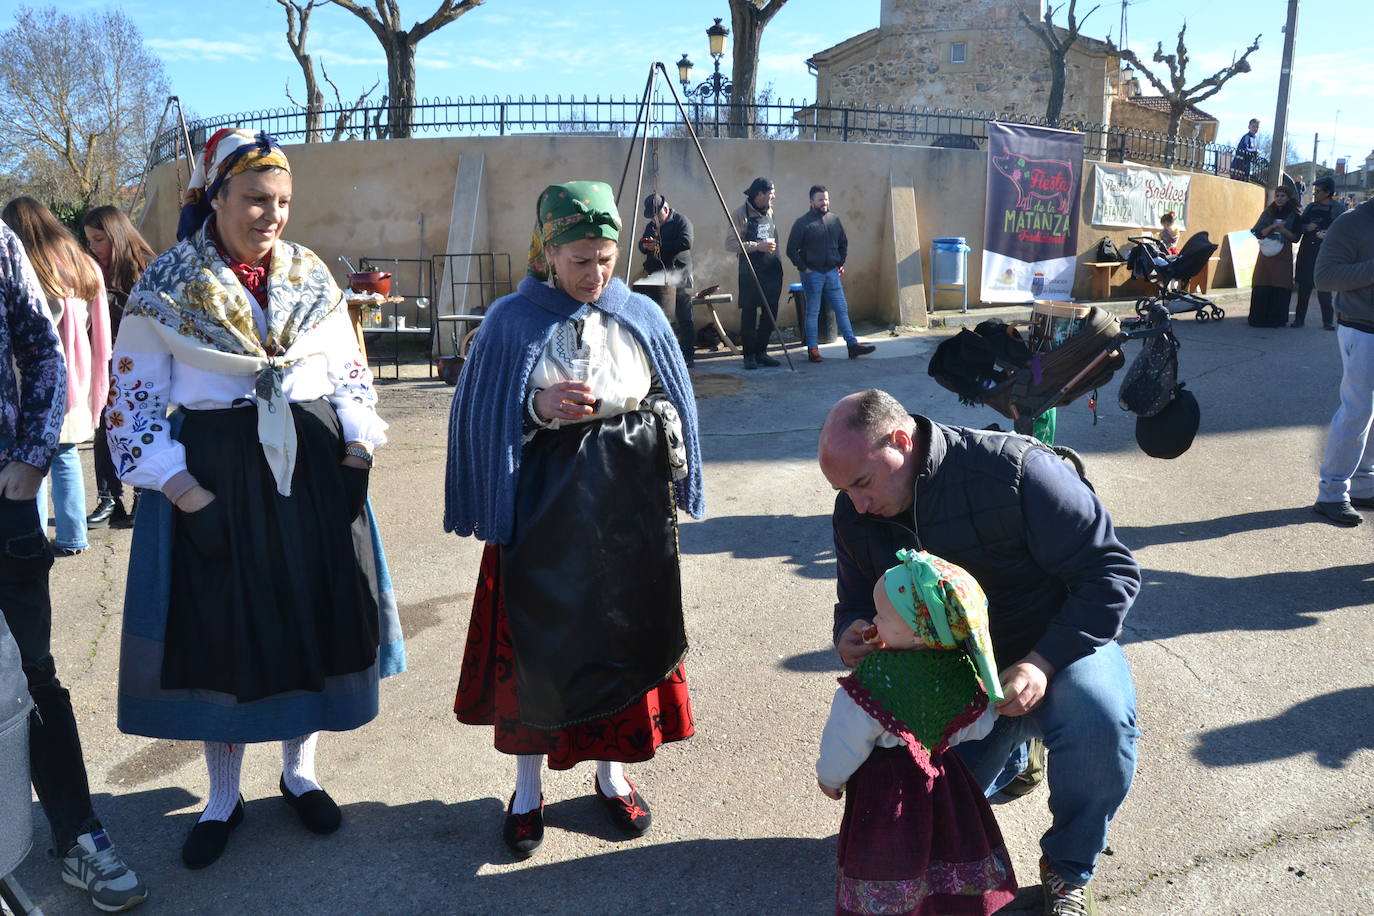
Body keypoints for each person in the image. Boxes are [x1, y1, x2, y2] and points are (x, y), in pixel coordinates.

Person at [107, 128, 404, 868]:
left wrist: (359, 446)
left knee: (308, 620)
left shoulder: (308, 276)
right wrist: (182, 489)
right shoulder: (167, 286)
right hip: (215, 478)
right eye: (255, 199)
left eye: (283, 202)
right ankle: (221, 796)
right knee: (223, 636)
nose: (271, 215)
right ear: (216, 197)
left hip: (314, 473)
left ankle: (299, 773)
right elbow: (132, 402)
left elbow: (351, 373)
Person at [445, 180, 704, 858]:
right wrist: (538, 407)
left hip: (629, 502)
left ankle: (611, 778)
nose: (595, 274)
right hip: (545, 503)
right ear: (548, 251)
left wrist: (671, 452)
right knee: (540, 648)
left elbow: (670, 394)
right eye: (580, 260)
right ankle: (526, 790)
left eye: (606, 258)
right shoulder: (511, 318)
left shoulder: (638, 313)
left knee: (623, 636)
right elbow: (481, 413)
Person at [818, 389, 1141, 916]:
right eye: (842, 490)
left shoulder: (1018, 471)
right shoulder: (854, 510)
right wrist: (850, 630)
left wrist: (1042, 662)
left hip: (1050, 644)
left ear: (902, 442)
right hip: (948, 674)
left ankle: (1067, 867)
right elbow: (853, 598)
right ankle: (1014, 755)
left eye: (861, 484)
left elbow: (1111, 574)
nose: (856, 504)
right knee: (918, 792)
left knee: (1099, 724)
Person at [0, 222, 147, 911]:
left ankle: (78, 833)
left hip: (3, 499)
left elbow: (42, 350)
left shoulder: (0, 245)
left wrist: (33, 455)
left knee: (31, 677)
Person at [816, 549, 1017, 916]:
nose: (873, 620)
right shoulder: (960, 670)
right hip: (945, 784)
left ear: (919, 629)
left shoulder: (877, 679)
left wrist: (830, 777)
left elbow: (846, 737)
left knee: (888, 856)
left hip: (885, 793)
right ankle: (950, 906)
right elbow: (981, 725)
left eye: (881, 615)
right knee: (949, 845)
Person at [1, 198, 111, 557]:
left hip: (36, 382)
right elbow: (96, 325)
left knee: (32, 463)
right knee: (66, 458)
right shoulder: (83, 263)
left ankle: (31, 538)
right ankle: (74, 536)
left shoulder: (29, 267)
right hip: (79, 374)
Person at [82, 206, 155, 529]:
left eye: (99, 239)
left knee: (138, 427)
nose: (93, 247)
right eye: (89, 240)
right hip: (103, 360)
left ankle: (143, 496)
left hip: (141, 363)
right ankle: (109, 499)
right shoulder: (91, 269)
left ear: (117, 235)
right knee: (102, 429)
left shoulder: (147, 267)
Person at [1312, 195, 1374, 527]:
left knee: (1369, 415)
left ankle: (1364, 484)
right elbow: (1325, 278)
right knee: (1357, 412)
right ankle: (1332, 494)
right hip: (1363, 329)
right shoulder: (1353, 223)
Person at [785, 185, 875, 363]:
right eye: (820, 200)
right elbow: (791, 250)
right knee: (813, 312)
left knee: (842, 309)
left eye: (826, 199)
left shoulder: (834, 220)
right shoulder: (802, 223)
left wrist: (839, 262)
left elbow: (843, 243)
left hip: (832, 274)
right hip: (812, 275)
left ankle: (852, 346)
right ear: (811, 202)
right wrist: (804, 268)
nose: (824, 202)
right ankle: (813, 350)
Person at [727, 177, 783, 369]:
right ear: (759, 194)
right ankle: (749, 355)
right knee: (749, 313)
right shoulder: (740, 213)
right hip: (750, 270)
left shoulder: (770, 211)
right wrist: (757, 246)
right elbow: (730, 244)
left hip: (771, 270)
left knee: (770, 312)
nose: (774, 197)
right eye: (771, 193)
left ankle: (762, 352)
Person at [637, 193, 696, 367]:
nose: (654, 219)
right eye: (651, 217)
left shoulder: (681, 221)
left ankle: (688, 355)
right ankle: (662, 354)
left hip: (679, 275)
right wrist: (645, 246)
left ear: (666, 209)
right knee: (659, 317)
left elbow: (686, 243)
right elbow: (642, 245)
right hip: (657, 277)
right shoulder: (651, 226)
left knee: (685, 316)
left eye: (656, 215)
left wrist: (659, 245)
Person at [1292, 177, 1346, 330]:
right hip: (1308, 250)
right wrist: (1306, 227)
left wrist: (1328, 234)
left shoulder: (1338, 209)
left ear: (1328, 192)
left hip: (1327, 254)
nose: (1315, 193)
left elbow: (1344, 231)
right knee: (1304, 288)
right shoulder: (1310, 207)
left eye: (1318, 191)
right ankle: (1299, 319)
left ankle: (1328, 321)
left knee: (1325, 289)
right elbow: (1299, 226)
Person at [1247, 186, 1301, 328]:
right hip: (1266, 254)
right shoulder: (1268, 212)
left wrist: (1282, 229)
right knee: (1262, 281)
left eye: (1283, 196)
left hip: (1283, 254)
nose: (1279, 198)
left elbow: (1295, 237)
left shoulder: (1294, 215)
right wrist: (1272, 227)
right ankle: (1259, 318)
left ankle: (1277, 319)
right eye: (1277, 196)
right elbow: (1258, 232)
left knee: (1280, 283)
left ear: (1288, 198)